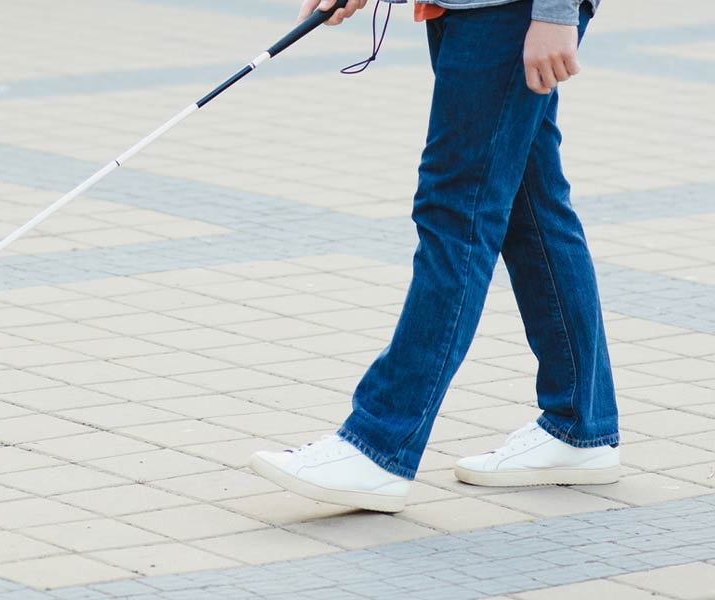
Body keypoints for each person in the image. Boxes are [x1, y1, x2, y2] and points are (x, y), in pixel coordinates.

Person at [250, 0, 615, 513]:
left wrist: (557, 12)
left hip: (511, 11)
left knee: (456, 211)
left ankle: (378, 445)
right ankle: (582, 426)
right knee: (530, 205)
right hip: (467, 10)